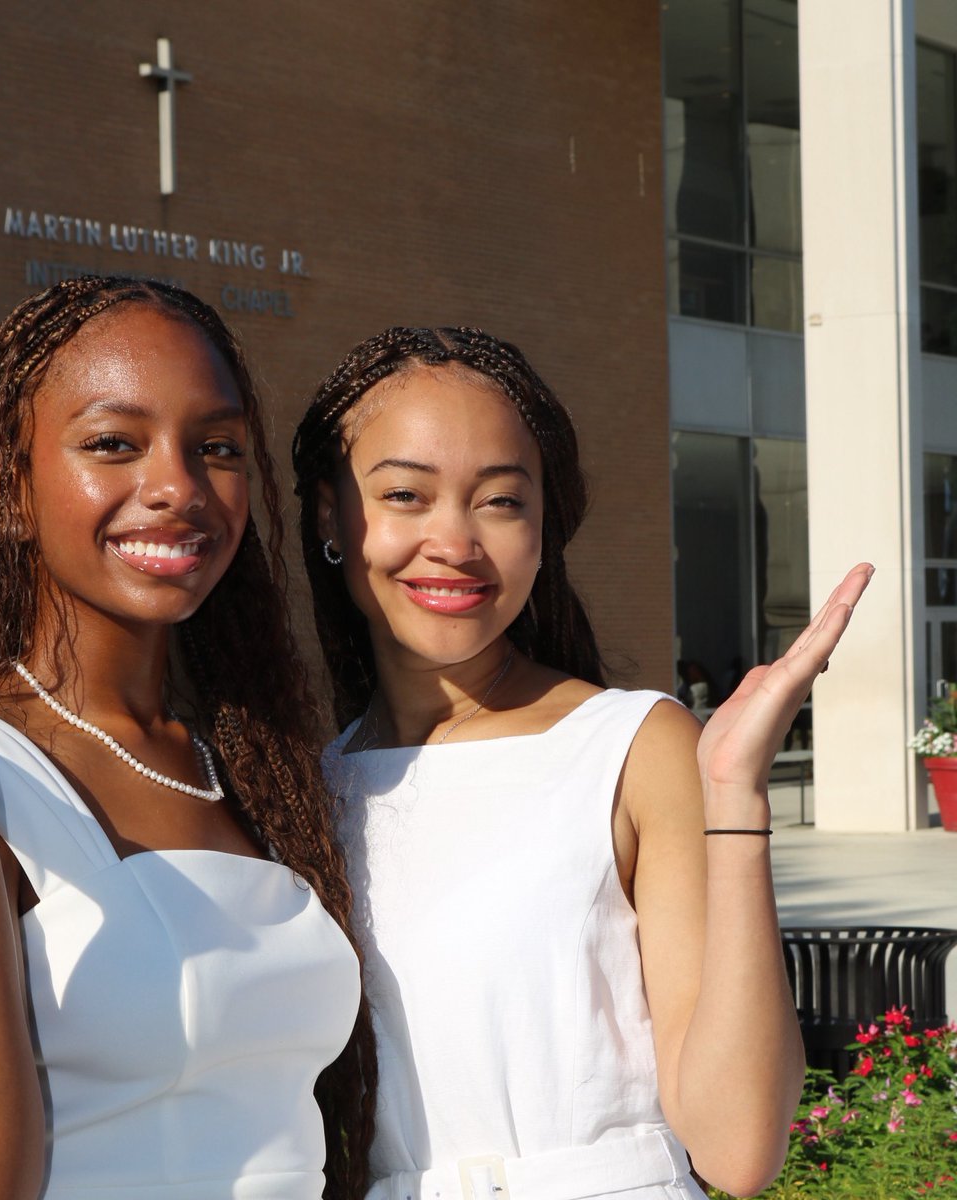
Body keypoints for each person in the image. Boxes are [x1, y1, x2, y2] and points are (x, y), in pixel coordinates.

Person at [0, 276, 375, 1200]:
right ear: (8, 492)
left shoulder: (251, 765)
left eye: (216, 447)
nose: (176, 486)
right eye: (113, 444)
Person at [291, 326, 870, 1200]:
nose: (454, 540)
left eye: (501, 501)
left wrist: (734, 797)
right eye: (406, 494)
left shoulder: (628, 747)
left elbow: (739, 1150)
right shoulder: (308, 788)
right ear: (333, 515)